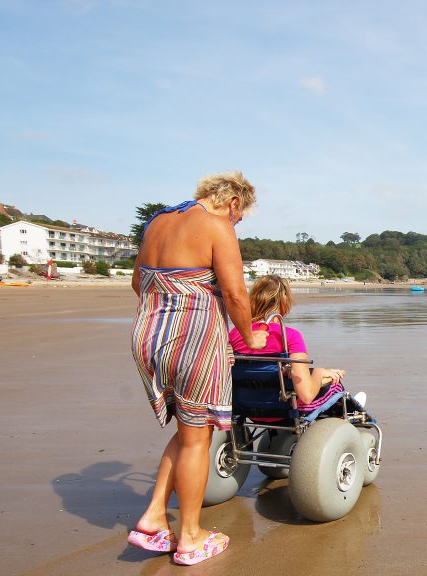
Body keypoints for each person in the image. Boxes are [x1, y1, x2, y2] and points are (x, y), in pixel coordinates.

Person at [128, 171, 267, 566]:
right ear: (234, 204)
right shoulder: (216, 225)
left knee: (188, 431)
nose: (236, 224)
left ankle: (154, 517)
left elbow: (139, 283)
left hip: (148, 333)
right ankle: (190, 537)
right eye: (239, 218)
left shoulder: (158, 221)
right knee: (197, 439)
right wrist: (249, 334)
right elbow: (236, 293)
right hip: (193, 336)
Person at [228, 274, 353, 410]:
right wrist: (319, 372)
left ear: (252, 299)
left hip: (247, 406)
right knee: (335, 385)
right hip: (284, 409)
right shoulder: (290, 336)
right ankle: (354, 410)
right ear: (284, 302)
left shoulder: (236, 333)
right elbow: (306, 396)